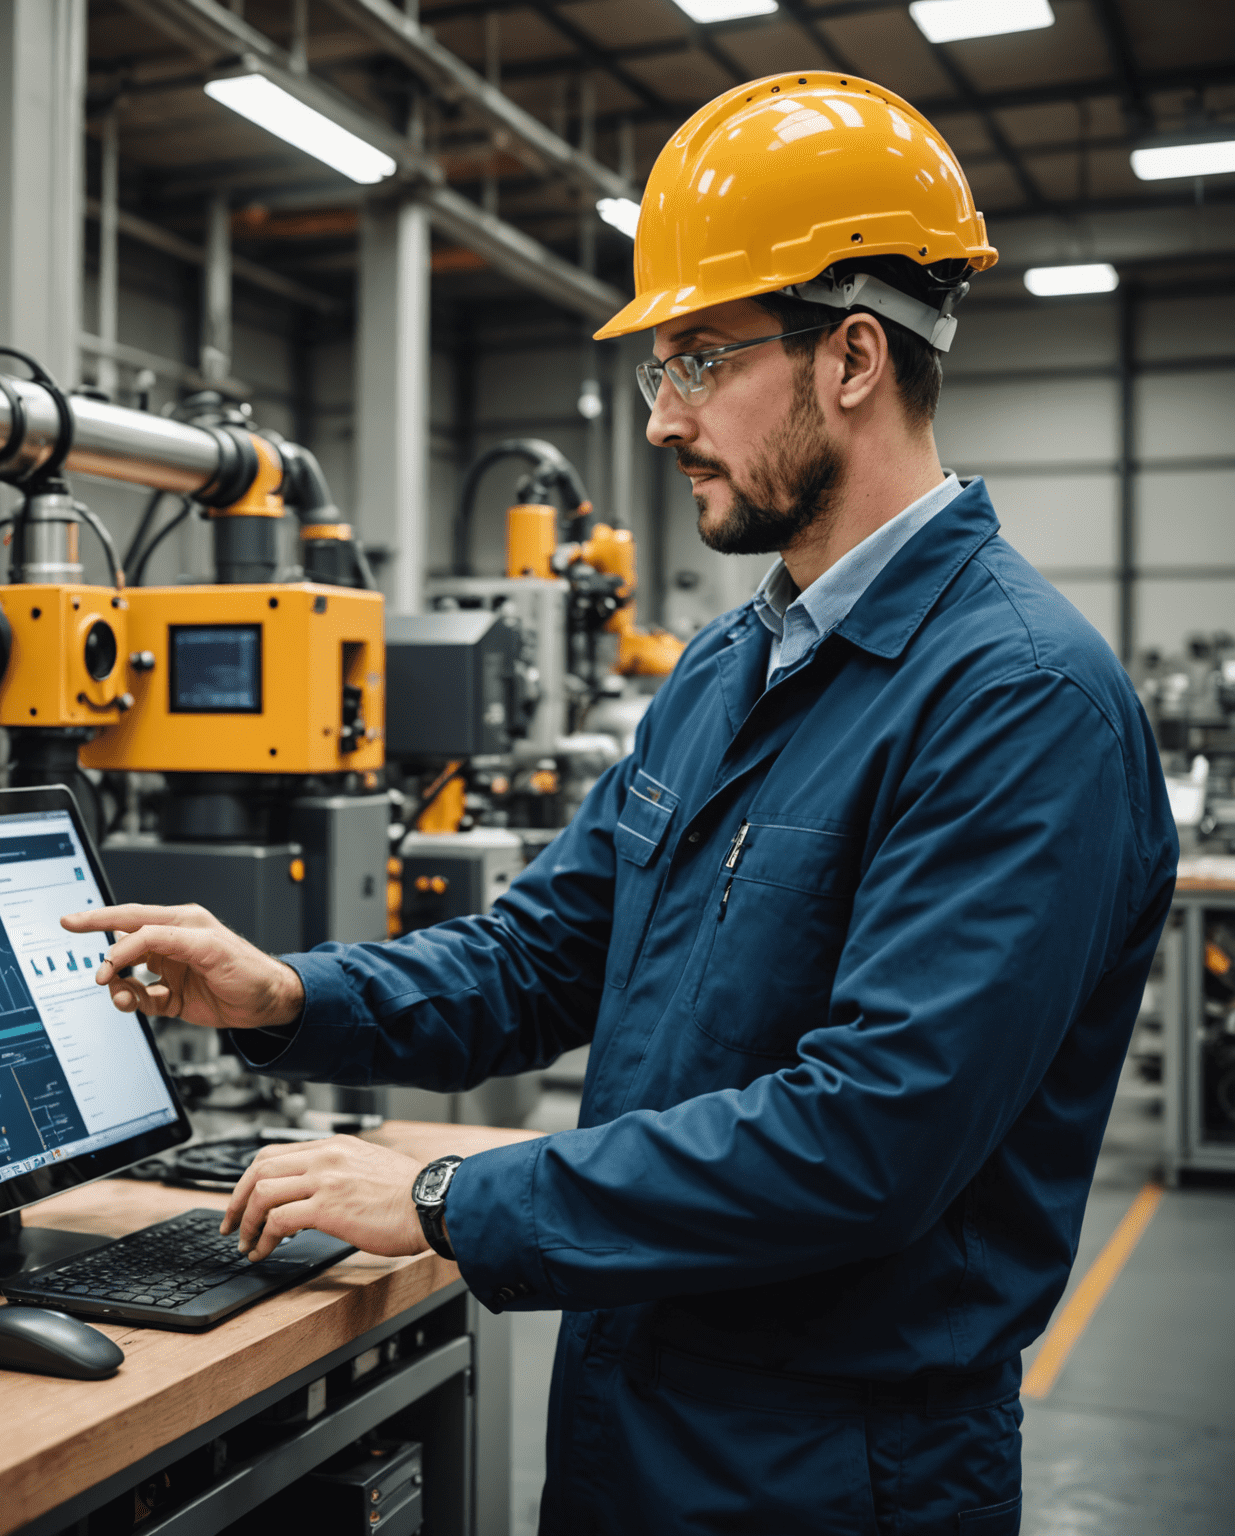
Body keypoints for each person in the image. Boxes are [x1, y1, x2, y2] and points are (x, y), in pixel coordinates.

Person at [64, 72, 1177, 1535]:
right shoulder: (731, 662)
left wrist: (461, 1202)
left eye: (700, 360)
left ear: (852, 356)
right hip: (631, 1407)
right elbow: (545, 957)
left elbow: (868, 1145)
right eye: (665, 370)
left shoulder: (1017, 701)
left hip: (834, 1468)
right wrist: (284, 995)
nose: (663, 422)